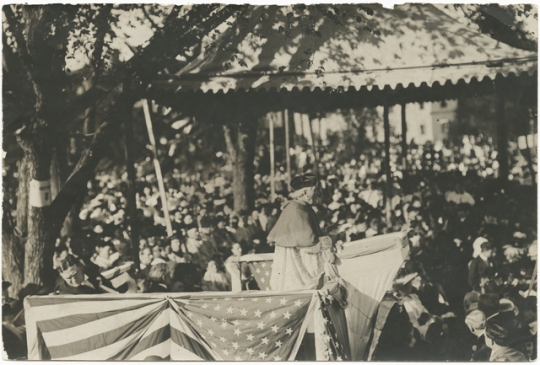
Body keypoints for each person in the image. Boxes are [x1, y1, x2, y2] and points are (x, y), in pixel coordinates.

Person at [268, 174, 338, 291]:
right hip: (299, 277)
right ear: (305, 192)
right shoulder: (297, 211)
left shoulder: (302, 207)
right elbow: (309, 245)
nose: (318, 194)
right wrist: (331, 239)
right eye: (315, 190)